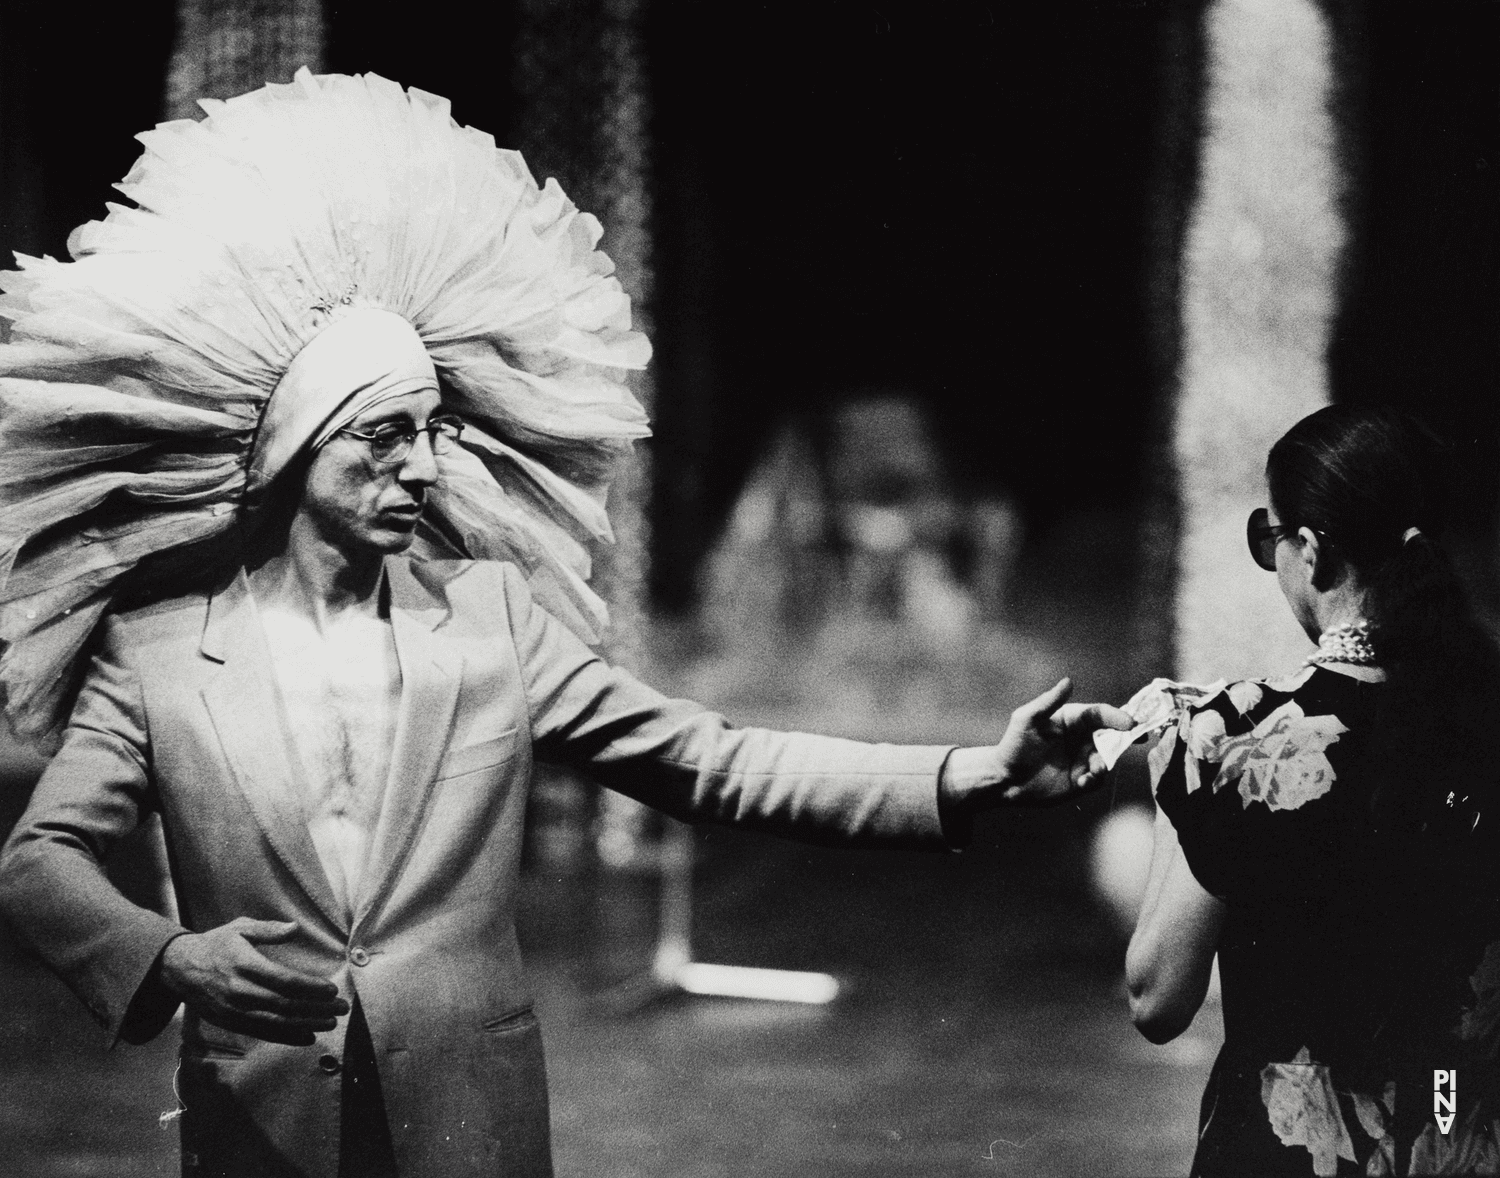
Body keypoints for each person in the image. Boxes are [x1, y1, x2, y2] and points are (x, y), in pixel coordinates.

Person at [0, 72, 1129, 1178]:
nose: (423, 466)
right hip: (264, 1123)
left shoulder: (488, 619)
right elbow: (39, 859)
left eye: (433, 429)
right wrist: (177, 955)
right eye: (385, 437)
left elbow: (710, 758)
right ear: (295, 448)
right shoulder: (161, 652)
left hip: (466, 1120)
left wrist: (971, 773)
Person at [1118, 406, 1500, 1175]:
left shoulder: (1240, 737)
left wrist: (1180, 765)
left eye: (1272, 538)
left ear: (1314, 551)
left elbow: (1157, 998)